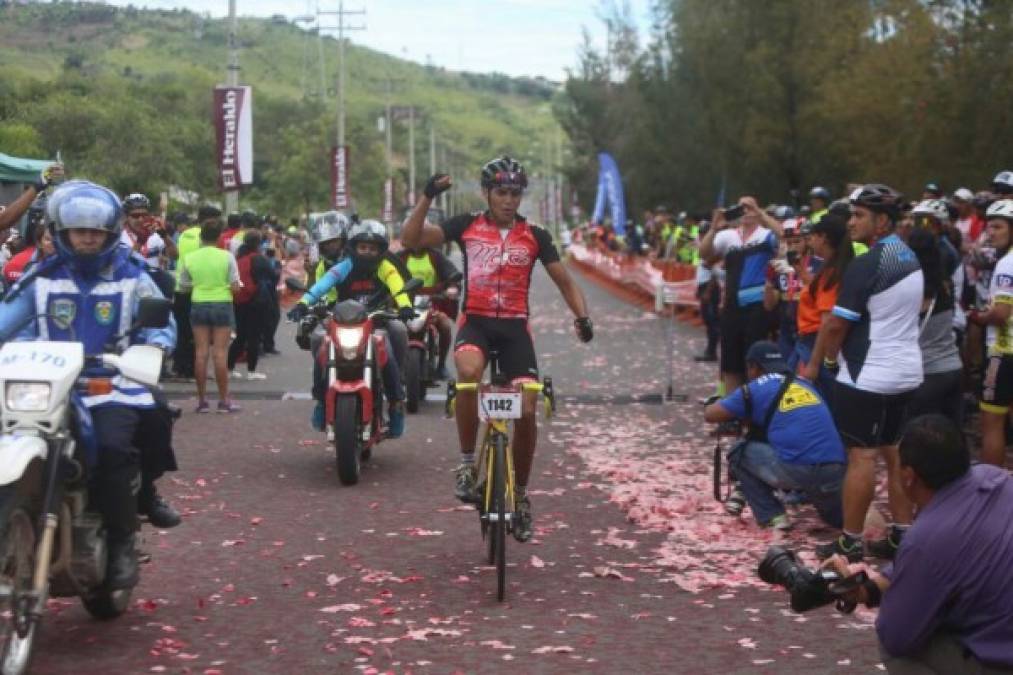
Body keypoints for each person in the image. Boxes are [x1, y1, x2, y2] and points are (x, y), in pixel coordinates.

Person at [401, 157, 593, 543]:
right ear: (487, 193)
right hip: (477, 323)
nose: (508, 200)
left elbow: (565, 282)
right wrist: (426, 196)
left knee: (525, 407)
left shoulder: (536, 235)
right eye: (501, 192)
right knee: (469, 375)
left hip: (514, 331)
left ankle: (520, 496)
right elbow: (410, 240)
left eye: (515, 193)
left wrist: (582, 317)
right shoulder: (466, 225)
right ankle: (468, 465)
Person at [0, 180, 176, 589]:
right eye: (80, 231)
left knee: (115, 449)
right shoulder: (39, 278)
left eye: (95, 232)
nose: (87, 239)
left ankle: (121, 543)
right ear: (62, 232)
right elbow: (8, 322)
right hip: (45, 388)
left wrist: (153, 349)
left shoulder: (133, 274)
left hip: (109, 383)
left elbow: (161, 322)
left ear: (110, 233)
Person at [824, 415, 1013, 674]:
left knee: (894, 647)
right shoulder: (996, 479)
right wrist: (869, 588)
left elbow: (897, 635)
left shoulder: (927, 537)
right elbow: (940, 561)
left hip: (1000, 658)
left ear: (909, 476)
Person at [815, 184, 924, 562]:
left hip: (868, 373)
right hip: (906, 371)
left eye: (859, 215)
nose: (850, 222)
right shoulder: (909, 256)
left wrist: (829, 362)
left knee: (861, 457)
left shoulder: (867, 263)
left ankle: (849, 542)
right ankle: (902, 536)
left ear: (882, 222)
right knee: (894, 454)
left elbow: (834, 326)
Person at [287, 220, 410, 438]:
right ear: (353, 247)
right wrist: (303, 304)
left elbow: (397, 286)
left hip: (377, 319)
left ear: (381, 250)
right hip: (342, 320)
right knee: (318, 339)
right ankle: (321, 400)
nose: (367, 252)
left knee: (397, 332)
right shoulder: (343, 267)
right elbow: (321, 286)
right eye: (363, 247)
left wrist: (406, 307)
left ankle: (395, 402)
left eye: (373, 248)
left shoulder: (386, 267)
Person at [704, 341, 846, 529]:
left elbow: (711, 414)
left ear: (753, 367)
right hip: (836, 470)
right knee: (837, 521)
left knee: (739, 452)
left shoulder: (755, 388)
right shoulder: (804, 384)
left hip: (802, 470)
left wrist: (729, 405)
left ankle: (774, 517)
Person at [699, 195, 783, 394]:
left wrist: (760, 213)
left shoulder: (765, 235)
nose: (745, 212)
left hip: (757, 308)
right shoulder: (729, 236)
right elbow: (703, 253)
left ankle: (755, 411)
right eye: (741, 208)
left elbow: (783, 235)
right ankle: (734, 413)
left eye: (749, 208)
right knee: (730, 364)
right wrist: (714, 228)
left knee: (754, 363)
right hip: (731, 308)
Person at [178, 213, 242, 413]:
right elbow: (235, 286)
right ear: (219, 238)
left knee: (201, 353)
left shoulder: (190, 258)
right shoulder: (227, 257)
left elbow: (184, 286)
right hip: (222, 304)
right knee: (220, 355)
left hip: (199, 304)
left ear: (201, 237)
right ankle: (224, 401)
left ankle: (202, 401)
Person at [968, 199, 1013, 467]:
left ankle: (992, 489)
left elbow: (1001, 314)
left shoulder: (1007, 264)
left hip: (1003, 352)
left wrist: (978, 316)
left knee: (991, 424)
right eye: (988, 227)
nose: (990, 233)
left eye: (997, 226)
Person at [905, 228, 963, 428]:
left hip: (927, 373)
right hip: (953, 368)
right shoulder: (944, 285)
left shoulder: (913, 291)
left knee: (924, 442)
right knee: (953, 438)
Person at [795, 213, 854, 400]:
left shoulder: (831, 272)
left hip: (815, 343)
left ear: (824, 238)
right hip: (812, 341)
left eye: (814, 235)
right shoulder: (832, 267)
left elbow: (827, 320)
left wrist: (813, 363)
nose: (810, 240)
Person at [396, 241, 461, 380]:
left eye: (421, 235)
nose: (417, 239)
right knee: (392, 328)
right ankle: (394, 366)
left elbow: (451, 274)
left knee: (444, 324)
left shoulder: (436, 256)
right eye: (415, 235)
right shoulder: (399, 257)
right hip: (404, 305)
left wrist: (452, 288)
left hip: (432, 304)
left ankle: (441, 365)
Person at [763, 216, 811, 362]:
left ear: (808, 241)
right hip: (785, 331)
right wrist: (769, 282)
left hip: (809, 330)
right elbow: (769, 305)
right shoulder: (780, 267)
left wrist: (799, 271)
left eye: (797, 241)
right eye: (787, 242)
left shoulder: (818, 264)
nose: (792, 247)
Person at [227, 230, 273, 380]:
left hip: (239, 301)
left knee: (240, 336)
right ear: (258, 244)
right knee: (254, 336)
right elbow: (272, 276)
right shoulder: (259, 259)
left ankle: (229, 368)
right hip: (255, 302)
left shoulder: (239, 258)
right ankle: (252, 371)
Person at [121, 193, 178, 269]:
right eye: (135, 216)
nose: (140, 219)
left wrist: (164, 235)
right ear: (126, 217)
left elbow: (175, 256)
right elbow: (125, 265)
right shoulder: (119, 237)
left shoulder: (154, 233)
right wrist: (140, 241)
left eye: (144, 215)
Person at [693, 222, 721, 363]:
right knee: (708, 321)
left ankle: (712, 351)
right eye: (700, 232)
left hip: (710, 287)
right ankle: (710, 350)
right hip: (703, 286)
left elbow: (714, 272)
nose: (701, 235)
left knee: (713, 321)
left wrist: (708, 290)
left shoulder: (713, 248)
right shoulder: (703, 247)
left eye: (703, 232)